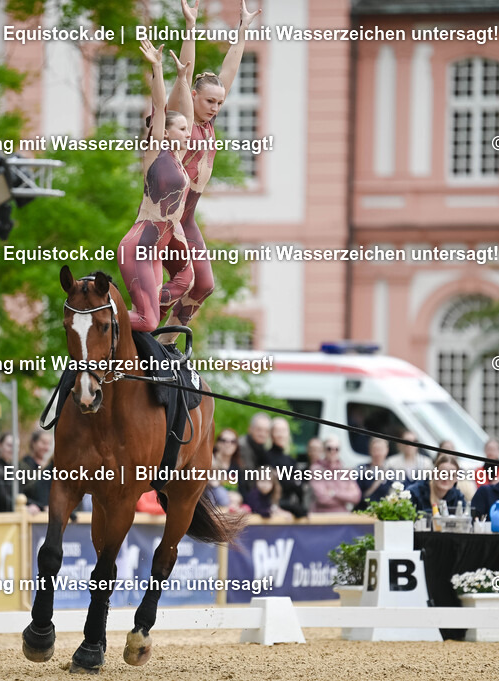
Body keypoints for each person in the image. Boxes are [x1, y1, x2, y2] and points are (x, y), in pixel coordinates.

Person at [160, 0, 263, 335]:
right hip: (166, 216)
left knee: (204, 285)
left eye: (220, 103)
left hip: (187, 217)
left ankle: (167, 344)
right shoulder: (185, 119)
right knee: (183, 279)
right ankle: (141, 330)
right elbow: (185, 71)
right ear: (192, 96)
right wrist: (190, 28)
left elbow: (229, 70)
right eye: (209, 101)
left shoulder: (209, 123)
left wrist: (242, 31)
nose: (216, 108)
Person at [117, 40, 194, 333]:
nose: (188, 134)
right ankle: (92, 316)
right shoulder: (155, 151)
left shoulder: (177, 158)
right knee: (147, 320)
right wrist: (158, 68)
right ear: (166, 132)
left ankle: (133, 337)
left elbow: (187, 113)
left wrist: (183, 80)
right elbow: (161, 107)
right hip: (138, 247)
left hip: (155, 252)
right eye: (182, 130)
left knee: (182, 285)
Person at [309, 437, 361, 513]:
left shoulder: (346, 471)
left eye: (336, 449)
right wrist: (344, 499)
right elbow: (322, 498)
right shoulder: (316, 469)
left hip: (343, 515)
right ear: (324, 450)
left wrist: (333, 493)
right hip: (321, 515)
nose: (333, 451)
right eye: (329, 449)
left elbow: (356, 497)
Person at [268, 418, 306, 517]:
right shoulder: (266, 457)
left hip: (290, 506)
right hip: (273, 508)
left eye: (283, 431)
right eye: (277, 431)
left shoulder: (291, 460)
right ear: (271, 434)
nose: (280, 435)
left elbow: (299, 487)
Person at [354, 437, 394, 510]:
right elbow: (357, 496)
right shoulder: (361, 470)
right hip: (363, 512)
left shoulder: (392, 473)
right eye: (375, 450)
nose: (377, 453)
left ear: (387, 450)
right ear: (370, 450)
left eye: (380, 450)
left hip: (384, 512)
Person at [19, 430, 53, 513]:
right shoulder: (24, 466)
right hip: (33, 512)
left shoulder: (50, 466)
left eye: (49, 444)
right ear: (33, 443)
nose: (46, 448)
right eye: (43, 443)